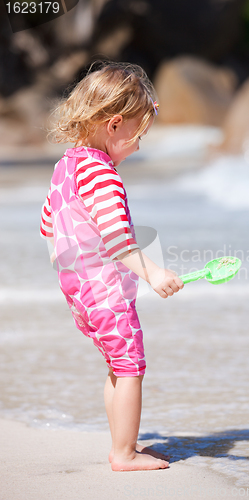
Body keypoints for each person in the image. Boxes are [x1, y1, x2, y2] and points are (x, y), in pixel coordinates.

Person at [40, 62, 184, 471]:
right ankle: (123, 453)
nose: (139, 146)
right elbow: (118, 239)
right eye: (139, 135)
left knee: (117, 364)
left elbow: (47, 224)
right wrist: (154, 272)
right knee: (131, 365)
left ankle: (123, 443)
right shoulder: (103, 175)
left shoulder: (66, 165)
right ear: (115, 124)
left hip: (78, 290)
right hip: (104, 290)